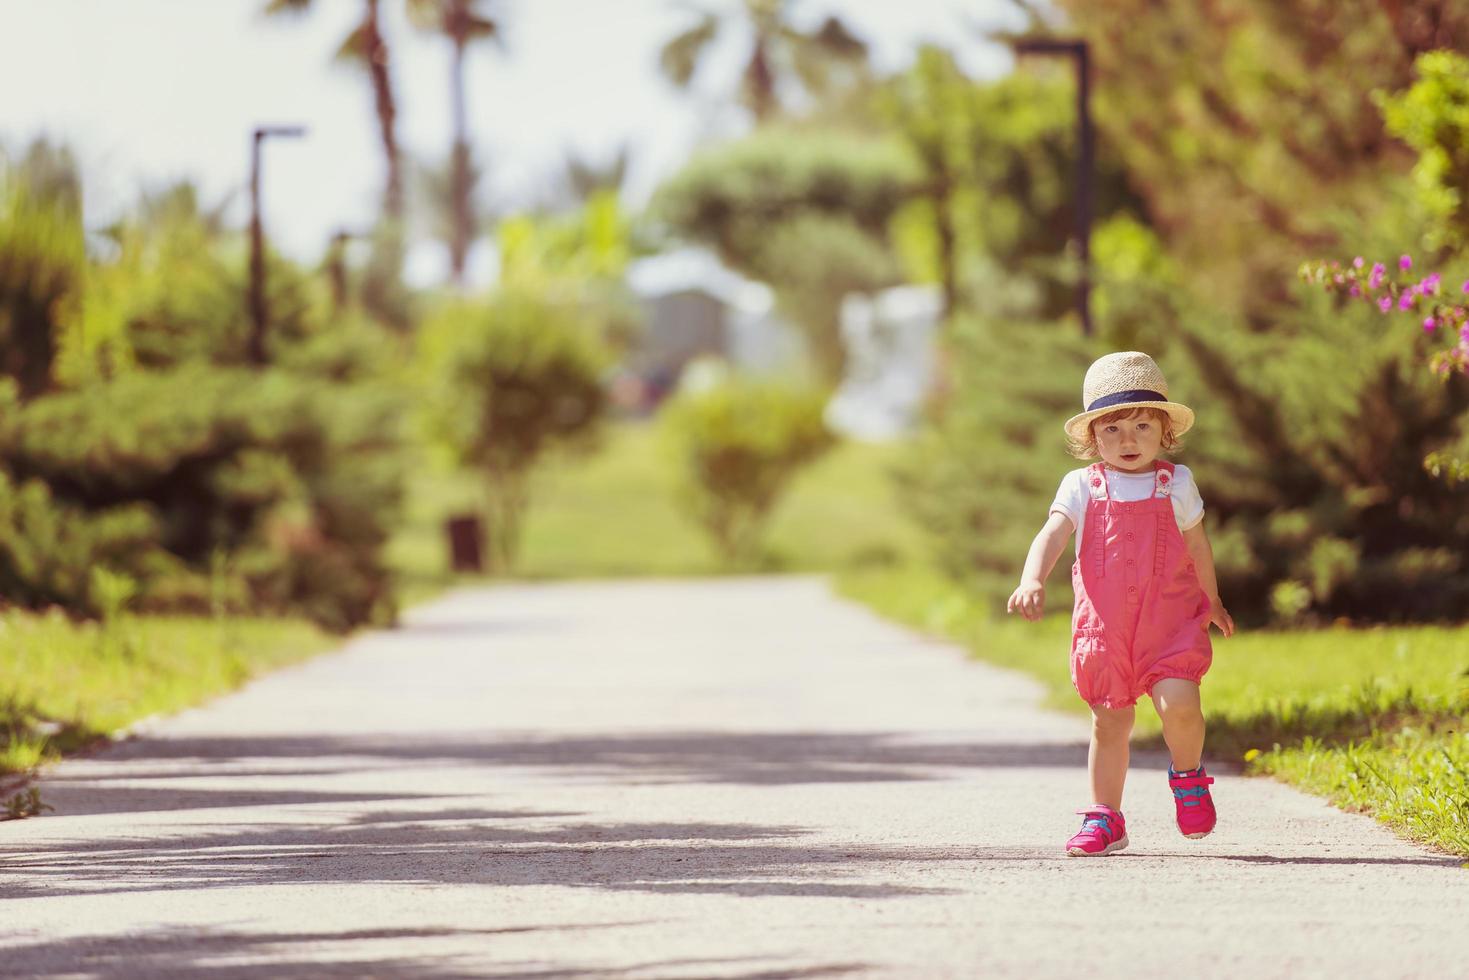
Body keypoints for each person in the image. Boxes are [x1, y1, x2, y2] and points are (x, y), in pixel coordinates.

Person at [1007, 351, 1234, 857]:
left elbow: (1198, 546)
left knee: (1181, 706)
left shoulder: (1175, 483)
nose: (1128, 440)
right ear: (1092, 439)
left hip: (1170, 623)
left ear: (1164, 432)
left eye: (1140, 426)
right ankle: (1106, 817)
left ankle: (1188, 776)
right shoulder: (1082, 487)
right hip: (1105, 631)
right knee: (1109, 722)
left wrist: (1213, 600)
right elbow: (1052, 534)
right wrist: (1032, 578)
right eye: (1112, 430)